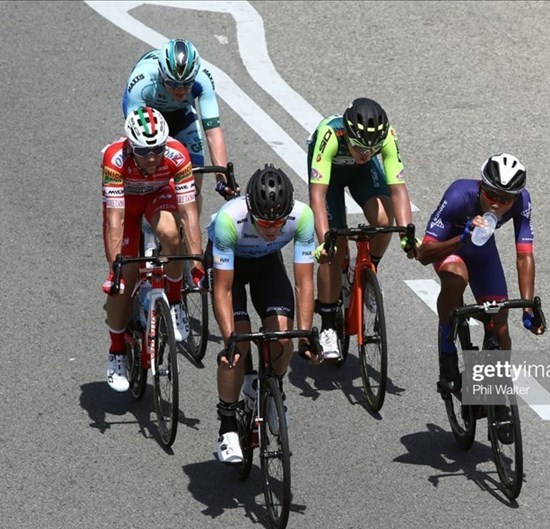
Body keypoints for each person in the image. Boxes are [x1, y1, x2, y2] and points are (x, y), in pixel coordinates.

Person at [210, 164, 320, 463]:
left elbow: (304, 282)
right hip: (230, 268)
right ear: (250, 211)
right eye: (263, 223)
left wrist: (306, 336)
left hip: (266, 265)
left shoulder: (303, 216)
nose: (272, 230)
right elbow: (223, 289)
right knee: (238, 348)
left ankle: (273, 390)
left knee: (282, 337)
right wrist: (230, 339)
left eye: (278, 223)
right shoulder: (229, 220)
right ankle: (227, 424)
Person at [416, 153, 547, 395]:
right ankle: (447, 349)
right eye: (491, 195)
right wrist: (461, 238)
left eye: (505, 199)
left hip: (481, 251)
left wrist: (528, 307)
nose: (497, 204)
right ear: (481, 186)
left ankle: (498, 395)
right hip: (449, 247)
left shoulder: (522, 200)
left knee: (500, 320)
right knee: (457, 277)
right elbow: (424, 254)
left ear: (515, 197)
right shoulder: (458, 195)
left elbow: (524, 255)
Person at [307, 97, 416, 359]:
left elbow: (398, 190)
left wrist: (407, 234)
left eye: (372, 149)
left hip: (362, 174)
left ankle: (366, 273)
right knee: (333, 249)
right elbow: (318, 196)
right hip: (330, 178)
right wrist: (324, 241)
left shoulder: (386, 136)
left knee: (384, 221)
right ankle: (328, 326)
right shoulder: (330, 135)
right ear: (348, 134)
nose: (365, 154)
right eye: (359, 147)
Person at [101, 106, 199, 392]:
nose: (153, 157)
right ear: (131, 147)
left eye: (158, 149)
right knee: (124, 280)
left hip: (158, 195)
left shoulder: (177, 155)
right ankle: (117, 351)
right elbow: (115, 219)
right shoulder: (115, 159)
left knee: (172, 235)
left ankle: (175, 302)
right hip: (126, 206)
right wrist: (115, 269)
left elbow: (189, 213)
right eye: (144, 152)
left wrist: (196, 263)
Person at [122, 38, 235, 281]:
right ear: (162, 74)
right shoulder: (142, 82)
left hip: (182, 118)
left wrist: (222, 178)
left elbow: (213, 131)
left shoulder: (203, 78)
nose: (181, 90)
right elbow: (136, 136)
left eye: (186, 84)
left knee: (193, 183)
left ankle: (183, 238)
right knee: (148, 166)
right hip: (148, 120)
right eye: (173, 84)